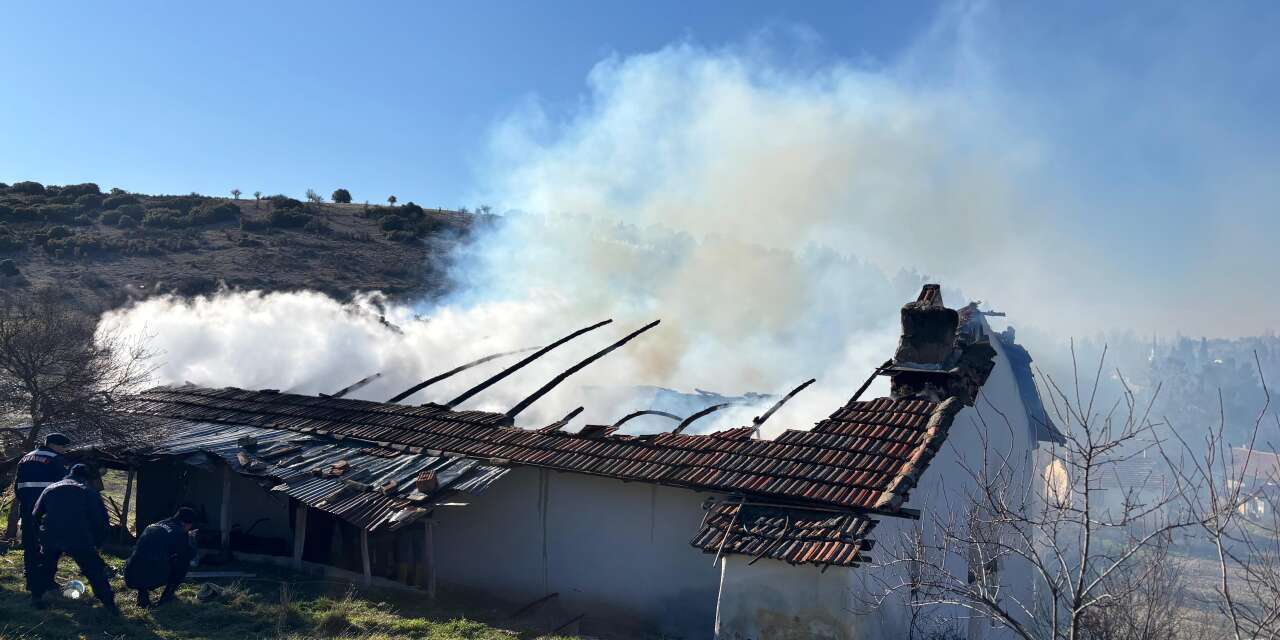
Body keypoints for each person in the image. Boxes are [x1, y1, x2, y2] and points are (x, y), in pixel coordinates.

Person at [29, 463, 118, 615]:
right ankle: (109, 604)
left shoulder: (50, 488)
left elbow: (35, 514)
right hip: (79, 536)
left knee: (45, 567)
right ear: (86, 478)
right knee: (94, 570)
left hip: (51, 534)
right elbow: (101, 521)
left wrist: (40, 535)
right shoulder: (88, 491)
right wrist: (97, 542)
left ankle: (36, 598)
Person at [13, 432, 70, 604]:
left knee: (30, 545)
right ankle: (47, 582)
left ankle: (31, 582)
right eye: (63, 446)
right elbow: (63, 486)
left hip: (28, 509)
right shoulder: (55, 459)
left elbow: (17, 486)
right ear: (54, 445)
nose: (64, 450)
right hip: (48, 511)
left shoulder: (25, 459)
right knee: (50, 547)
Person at [124, 507, 198, 608]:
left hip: (130, 574)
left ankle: (143, 595)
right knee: (183, 563)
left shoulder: (158, 524)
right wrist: (191, 539)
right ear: (186, 524)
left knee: (148, 559)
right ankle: (166, 599)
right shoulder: (180, 533)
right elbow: (190, 554)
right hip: (150, 577)